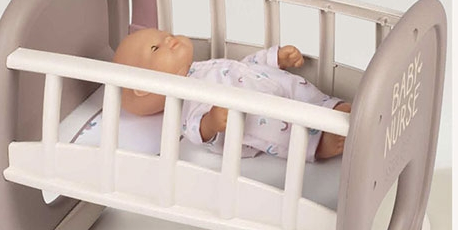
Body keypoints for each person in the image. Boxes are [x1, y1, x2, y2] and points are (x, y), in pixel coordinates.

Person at [112, 28, 351, 161]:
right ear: (144, 86)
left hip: (267, 83)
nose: (167, 38)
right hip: (254, 116)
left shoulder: (200, 68)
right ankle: (316, 144)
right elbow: (194, 130)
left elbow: (240, 67)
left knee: (296, 86)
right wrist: (211, 122)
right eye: (156, 48)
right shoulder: (186, 102)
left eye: (163, 34)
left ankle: (330, 107)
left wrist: (273, 58)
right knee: (276, 129)